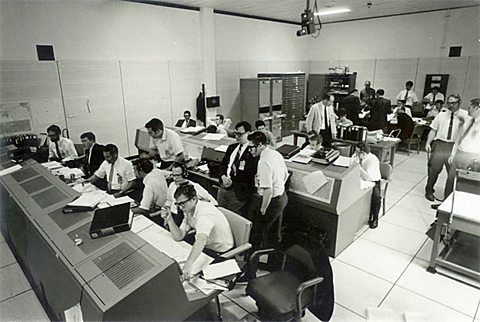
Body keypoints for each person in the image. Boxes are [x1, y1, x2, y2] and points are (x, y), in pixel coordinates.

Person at [160, 183, 234, 280]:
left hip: (219, 252)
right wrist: (169, 219)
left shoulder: (205, 213)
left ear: (194, 199)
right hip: (206, 247)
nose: (181, 207)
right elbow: (179, 236)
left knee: (192, 278)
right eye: (178, 204)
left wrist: (189, 263)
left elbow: (201, 240)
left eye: (183, 203)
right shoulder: (189, 210)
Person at [247, 131, 289, 249]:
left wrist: (263, 208)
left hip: (271, 201)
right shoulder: (275, 153)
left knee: (257, 232)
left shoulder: (263, 162)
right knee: (275, 233)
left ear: (260, 145)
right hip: (282, 197)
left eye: (251, 147)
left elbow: (268, 191)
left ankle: (251, 262)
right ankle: (273, 262)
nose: (250, 151)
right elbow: (285, 174)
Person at [425, 94, 468, 201]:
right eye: (449, 103)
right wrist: (428, 143)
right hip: (440, 144)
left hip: (454, 146)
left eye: (454, 103)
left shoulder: (466, 116)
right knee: (433, 170)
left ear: (459, 103)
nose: (451, 105)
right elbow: (433, 130)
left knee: (452, 174)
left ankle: (448, 197)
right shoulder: (441, 115)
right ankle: (429, 191)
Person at [217, 121, 258, 216]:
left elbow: (250, 175)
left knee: (233, 218)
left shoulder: (252, 152)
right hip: (223, 187)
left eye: (239, 134)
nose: (236, 137)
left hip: (238, 193)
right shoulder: (232, 147)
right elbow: (223, 164)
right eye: (235, 133)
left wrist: (233, 182)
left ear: (248, 133)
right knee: (220, 214)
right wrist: (223, 176)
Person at [445, 98, 480, 198]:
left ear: (476, 108)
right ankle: (446, 203)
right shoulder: (468, 120)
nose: (467, 109)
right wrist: (453, 153)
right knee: (451, 179)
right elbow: (459, 137)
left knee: (464, 182)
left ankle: (457, 205)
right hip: (459, 154)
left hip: (471, 157)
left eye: (470, 107)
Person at [350, 143, 381, 229]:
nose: (355, 154)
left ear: (363, 153)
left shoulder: (373, 160)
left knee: (376, 197)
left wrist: (358, 167)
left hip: (373, 181)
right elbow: (350, 166)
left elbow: (369, 178)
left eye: (357, 152)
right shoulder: (357, 156)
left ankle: (375, 218)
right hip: (359, 179)